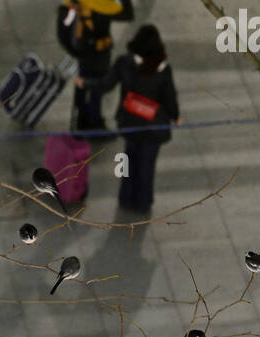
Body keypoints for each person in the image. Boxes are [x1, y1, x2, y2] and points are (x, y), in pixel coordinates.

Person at [74, 24, 180, 214]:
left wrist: (86, 83)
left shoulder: (125, 63)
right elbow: (169, 97)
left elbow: (106, 84)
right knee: (147, 166)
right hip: (153, 127)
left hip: (130, 123)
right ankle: (142, 202)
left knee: (129, 162)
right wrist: (175, 116)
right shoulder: (163, 68)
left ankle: (126, 198)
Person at [57, 0, 134, 135]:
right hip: (100, 54)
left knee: (82, 86)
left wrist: (75, 52)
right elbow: (128, 14)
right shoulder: (105, 5)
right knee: (97, 88)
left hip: (83, 53)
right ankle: (94, 124)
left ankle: (79, 122)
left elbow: (62, 30)